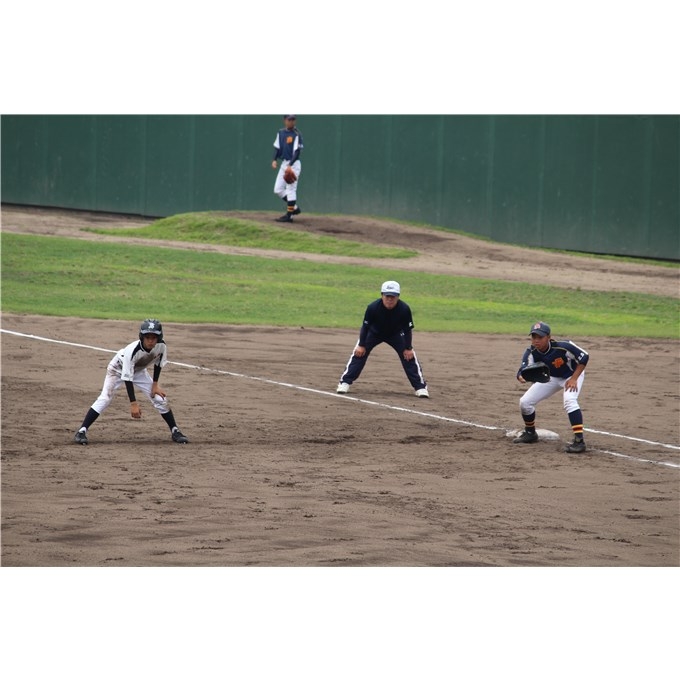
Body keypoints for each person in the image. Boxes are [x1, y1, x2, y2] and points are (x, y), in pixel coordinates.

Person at [73, 319, 189, 445]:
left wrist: (155, 385)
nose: (150, 341)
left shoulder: (161, 346)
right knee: (105, 398)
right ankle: (81, 431)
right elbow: (127, 378)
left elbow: (158, 364)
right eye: (147, 337)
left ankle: (175, 430)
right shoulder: (132, 351)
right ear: (142, 337)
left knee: (160, 399)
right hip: (117, 369)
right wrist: (133, 403)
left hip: (139, 371)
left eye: (154, 337)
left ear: (159, 338)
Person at [336, 280, 429, 398]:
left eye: (393, 297)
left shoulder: (404, 309)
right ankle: (344, 382)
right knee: (359, 353)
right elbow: (365, 327)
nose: (389, 299)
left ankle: (420, 387)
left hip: (395, 334)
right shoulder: (373, 307)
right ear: (382, 295)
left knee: (409, 356)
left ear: (398, 297)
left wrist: (408, 348)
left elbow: (407, 330)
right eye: (387, 296)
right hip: (374, 333)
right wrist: (361, 345)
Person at [513, 321, 589, 453]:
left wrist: (574, 379)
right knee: (525, 402)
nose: (536, 340)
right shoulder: (531, 352)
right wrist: (521, 377)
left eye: (540, 337)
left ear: (548, 337)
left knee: (570, 400)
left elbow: (584, 357)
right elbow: (522, 370)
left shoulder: (563, 347)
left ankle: (579, 442)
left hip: (571, 375)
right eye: (534, 337)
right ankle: (530, 433)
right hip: (551, 377)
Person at [272, 114, 303, 223]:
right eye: (290, 119)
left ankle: (289, 216)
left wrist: (290, 165)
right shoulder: (280, 133)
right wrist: (274, 159)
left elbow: (297, 152)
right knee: (278, 189)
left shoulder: (297, 134)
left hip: (293, 164)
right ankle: (294, 207)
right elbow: (277, 148)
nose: (292, 121)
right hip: (284, 163)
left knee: (290, 189)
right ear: (285, 120)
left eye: (293, 119)